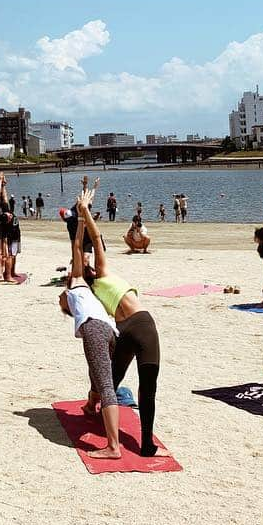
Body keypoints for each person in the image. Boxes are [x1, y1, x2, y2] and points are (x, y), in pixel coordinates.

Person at [77, 179, 162, 457]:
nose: (89, 261)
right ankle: (146, 445)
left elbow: (80, 248)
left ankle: (93, 408)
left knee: (110, 381)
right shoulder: (102, 275)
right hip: (142, 325)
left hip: (125, 331)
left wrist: (82, 214)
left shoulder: (92, 292)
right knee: (145, 390)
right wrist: (86, 213)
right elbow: (97, 238)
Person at [58, 208, 121, 459]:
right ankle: (90, 405)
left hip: (97, 329)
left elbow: (76, 244)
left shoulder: (77, 282)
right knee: (98, 373)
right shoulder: (88, 290)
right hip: (110, 330)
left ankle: (113, 448)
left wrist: (81, 219)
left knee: (105, 384)